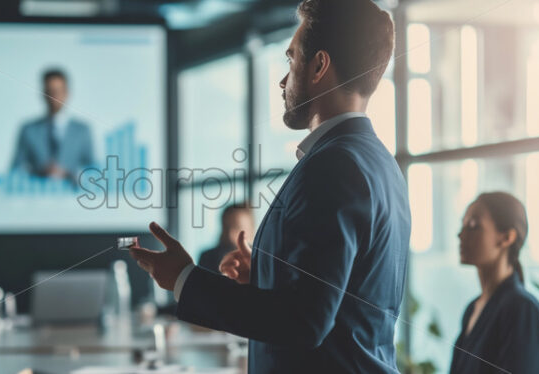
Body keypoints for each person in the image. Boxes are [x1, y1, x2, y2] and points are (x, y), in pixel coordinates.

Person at [129, 0, 410, 372]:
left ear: (319, 66)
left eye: (291, 59)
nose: (282, 80)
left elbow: (306, 322)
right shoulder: (378, 162)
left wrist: (184, 278)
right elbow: (338, 297)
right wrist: (266, 278)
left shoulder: (334, 166)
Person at [450, 192, 539, 373]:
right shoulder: (472, 309)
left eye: (473, 225)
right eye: (463, 224)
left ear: (507, 237)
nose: (461, 234)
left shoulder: (522, 308)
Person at [11, 69, 95, 181]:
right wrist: (38, 171)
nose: (53, 97)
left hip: (71, 195)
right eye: (49, 92)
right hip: (37, 195)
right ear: (43, 93)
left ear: (67, 93)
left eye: (58, 91)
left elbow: (92, 171)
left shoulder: (82, 130)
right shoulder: (28, 130)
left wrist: (69, 173)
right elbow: (16, 170)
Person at [197, 203, 254, 273]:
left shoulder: (260, 260)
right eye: (226, 228)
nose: (230, 234)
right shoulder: (207, 258)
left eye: (237, 227)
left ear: (251, 230)